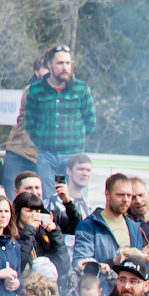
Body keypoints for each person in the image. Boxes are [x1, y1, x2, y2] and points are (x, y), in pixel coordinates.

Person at [24, 46, 96, 203]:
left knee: (76, 198)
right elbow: (30, 123)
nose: (65, 67)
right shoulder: (36, 90)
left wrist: (76, 140)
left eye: (68, 63)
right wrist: (43, 142)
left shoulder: (81, 89)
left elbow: (90, 122)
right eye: (60, 63)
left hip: (74, 154)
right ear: (50, 64)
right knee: (48, 200)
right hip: (46, 155)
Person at [0, 51, 51, 201]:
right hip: (19, 154)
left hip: (43, 158)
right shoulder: (32, 91)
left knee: (44, 203)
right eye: (46, 68)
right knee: (11, 200)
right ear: (37, 72)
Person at [73, 173, 147, 275]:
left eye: (129, 195)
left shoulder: (135, 228)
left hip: (128, 289)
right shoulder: (88, 226)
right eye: (120, 195)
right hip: (101, 289)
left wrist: (144, 256)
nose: (125, 199)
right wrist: (113, 262)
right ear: (107, 194)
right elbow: (80, 265)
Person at [12, 193, 70, 281]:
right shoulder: (11, 235)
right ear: (18, 211)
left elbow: (63, 266)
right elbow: (18, 265)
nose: (35, 215)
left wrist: (55, 233)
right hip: (24, 287)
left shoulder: (43, 233)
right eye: (29, 211)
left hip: (47, 287)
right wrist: (29, 231)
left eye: (38, 211)